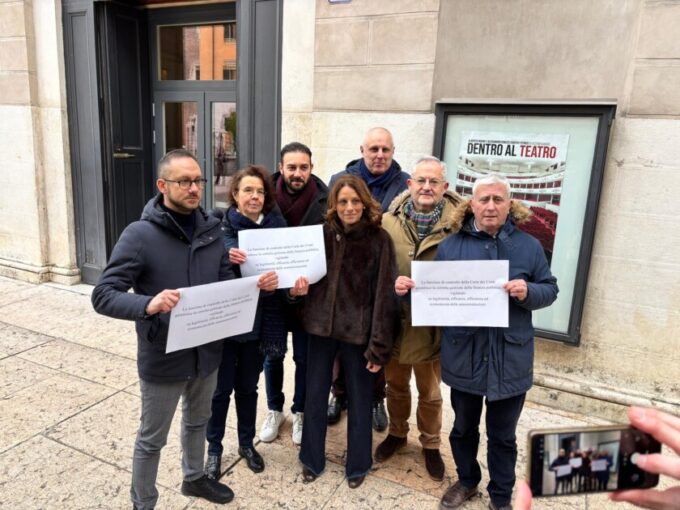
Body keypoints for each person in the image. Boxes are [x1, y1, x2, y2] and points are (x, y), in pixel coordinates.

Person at [397, 174, 558, 510]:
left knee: (503, 436)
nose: (490, 206)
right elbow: (436, 296)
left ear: (509, 205)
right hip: (464, 354)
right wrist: (410, 291)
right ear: (472, 204)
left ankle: (500, 496)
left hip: (509, 358)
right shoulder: (451, 245)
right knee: (463, 429)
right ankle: (468, 480)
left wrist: (529, 291)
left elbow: (550, 288)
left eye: (498, 199)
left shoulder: (528, 246)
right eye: (484, 199)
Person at [91, 149, 239, 509]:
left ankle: (194, 478)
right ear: (162, 185)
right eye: (184, 181)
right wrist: (148, 304)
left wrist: (251, 284)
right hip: (164, 354)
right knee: (151, 439)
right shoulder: (139, 235)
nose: (194, 188)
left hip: (206, 351)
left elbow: (223, 283)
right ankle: (143, 503)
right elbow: (103, 295)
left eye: (198, 180)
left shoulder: (212, 229)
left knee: (198, 422)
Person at [295, 175, 400, 488]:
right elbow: (301, 279)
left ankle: (358, 464)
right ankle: (311, 459)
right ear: (334, 204)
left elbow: (385, 296)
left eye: (355, 201)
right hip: (320, 329)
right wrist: (295, 292)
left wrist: (379, 347)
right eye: (343, 201)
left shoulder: (379, 239)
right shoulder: (320, 235)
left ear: (365, 203)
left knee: (360, 399)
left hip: (358, 334)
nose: (349, 207)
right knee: (315, 396)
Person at [376, 156, 462, 481]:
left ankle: (430, 443)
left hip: (432, 328)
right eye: (421, 181)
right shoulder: (387, 222)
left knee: (431, 393)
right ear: (410, 185)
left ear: (444, 187)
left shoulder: (460, 225)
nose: (427, 187)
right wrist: (391, 285)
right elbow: (377, 267)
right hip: (396, 324)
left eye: (434, 181)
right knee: (395, 386)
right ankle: (397, 432)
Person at [326, 127, 409, 430]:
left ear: (393, 151)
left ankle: (376, 399)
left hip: (382, 269)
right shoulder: (339, 179)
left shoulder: (404, 184)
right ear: (362, 150)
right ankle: (339, 395)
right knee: (340, 348)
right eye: (374, 149)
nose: (379, 155)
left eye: (385, 149)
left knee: (378, 339)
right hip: (345, 277)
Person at [205, 165, 283, 480]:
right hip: (224, 326)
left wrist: (279, 285)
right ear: (235, 194)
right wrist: (225, 261)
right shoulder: (217, 230)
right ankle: (213, 450)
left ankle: (246, 444)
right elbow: (204, 275)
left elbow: (285, 277)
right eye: (248, 190)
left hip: (258, 326)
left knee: (248, 389)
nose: (254, 196)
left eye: (260, 191)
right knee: (220, 391)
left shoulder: (277, 230)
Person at [258, 142, 329, 446]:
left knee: (304, 357)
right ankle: (275, 409)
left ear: (311, 168)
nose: (297, 173)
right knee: (273, 355)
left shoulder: (326, 200)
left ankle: (300, 410)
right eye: (291, 167)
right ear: (281, 167)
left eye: (303, 167)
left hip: (308, 293)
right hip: (273, 294)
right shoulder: (263, 197)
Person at [515, 406, 680, 510]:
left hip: (588, 473)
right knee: (565, 484)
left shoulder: (595, 457)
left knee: (595, 483)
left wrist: (586, 461)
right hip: (564, 476)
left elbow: (591, 464)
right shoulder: (563, 458)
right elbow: (555, 466)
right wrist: (566, 465)